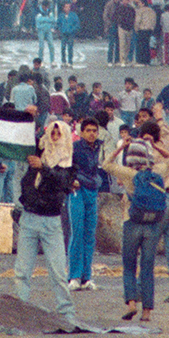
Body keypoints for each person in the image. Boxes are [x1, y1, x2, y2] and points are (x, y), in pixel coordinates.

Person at [103, 129, 169, 323]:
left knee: (129, 265)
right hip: (152, 224)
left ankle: (131, 303)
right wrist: (156, 145)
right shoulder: (157, 172)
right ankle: (147, 312)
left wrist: (121, 148)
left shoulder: (126, 173)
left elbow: (106, 164)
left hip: (131, 222)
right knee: (147, 268)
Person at [14, 119, 76, 320]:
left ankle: (66, 313)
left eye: (59, 134)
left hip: (51, 221)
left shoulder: (68, 162)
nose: (55, 138)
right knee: (22, 270)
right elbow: (23, 137)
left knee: (58, 271)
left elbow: (63, 182)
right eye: (52, 133)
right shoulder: (38, 154)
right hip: (29, 217)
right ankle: (21, 311)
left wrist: (45, 168)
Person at [66, 118, 102, 291]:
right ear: (81, 132)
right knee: (77, 232)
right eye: (88, 130)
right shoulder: (75, 148)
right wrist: (71, 180)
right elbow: (65, 167)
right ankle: (74, 276)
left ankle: (86, 277)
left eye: (94, 130)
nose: (91, 133)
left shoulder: (98, 147)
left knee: (90, 234)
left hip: (92, 190)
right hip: (77, 191)